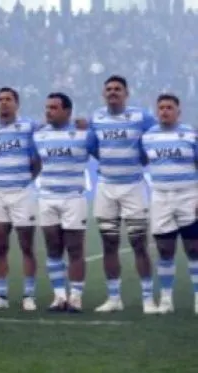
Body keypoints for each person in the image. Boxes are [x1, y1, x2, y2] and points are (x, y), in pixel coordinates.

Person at [89, 76, 156, 313]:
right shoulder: (96, 117)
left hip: (133, 186)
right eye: (108, 89)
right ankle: (114, 298)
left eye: (118, 89)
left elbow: (154, 141)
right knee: (109, 243)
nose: (113, 92)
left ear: (126, 93)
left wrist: (141, 160)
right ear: (103, 94)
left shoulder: (141, 116)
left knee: (139, 243)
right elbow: (92, 147)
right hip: (106, 187)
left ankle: (148, 298)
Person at [32, 92, 97, 313]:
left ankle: (76, 296)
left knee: (75, 247)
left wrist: (90, 126)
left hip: (73, 197)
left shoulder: (83, 134)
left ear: (67, 111)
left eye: (54, 107)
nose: (48, 111)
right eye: (47, 107)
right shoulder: (39, 135)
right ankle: (59, 296)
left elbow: (100, 152)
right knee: (52, 247)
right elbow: (35, 162)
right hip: (47, 197)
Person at [139, 93, 198, 315]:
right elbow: (143, 160)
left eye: (169, 107)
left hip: (188, 195)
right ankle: (166, 299)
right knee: (165, 250)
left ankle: (197, 297)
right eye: (161, 107)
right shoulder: (148, 137)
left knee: (194, 248)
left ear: (178, 111)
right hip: (161, 197)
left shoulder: (190, 135)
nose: (164, 111)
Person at [0, 87, 40, 311]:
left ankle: (28, 295)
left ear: (17, 104)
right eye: (0, 100)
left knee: (26, 246)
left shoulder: (29, 128)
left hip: (22, 193)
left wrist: (26, 180)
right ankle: (2, 297)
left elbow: (37, 161)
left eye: (8, 99)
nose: (4, 103)